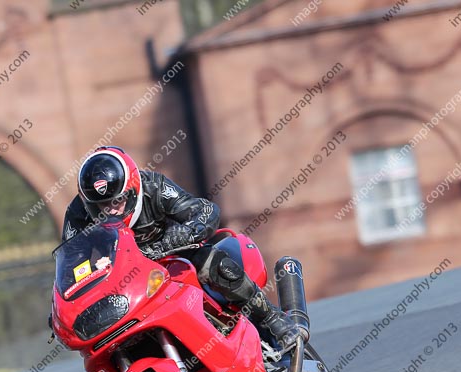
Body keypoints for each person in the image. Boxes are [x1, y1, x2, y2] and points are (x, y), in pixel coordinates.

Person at [62, 145, 300, 351]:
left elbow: (202, 210)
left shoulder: (154, 186)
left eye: (117, 201)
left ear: (133, 188)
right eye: (102, 206)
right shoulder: (77, 212)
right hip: (124, 278)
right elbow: (71, 260)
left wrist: (184, 233)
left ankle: (272, 318)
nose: (111, 210)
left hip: (172, 255)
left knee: (211, 262)